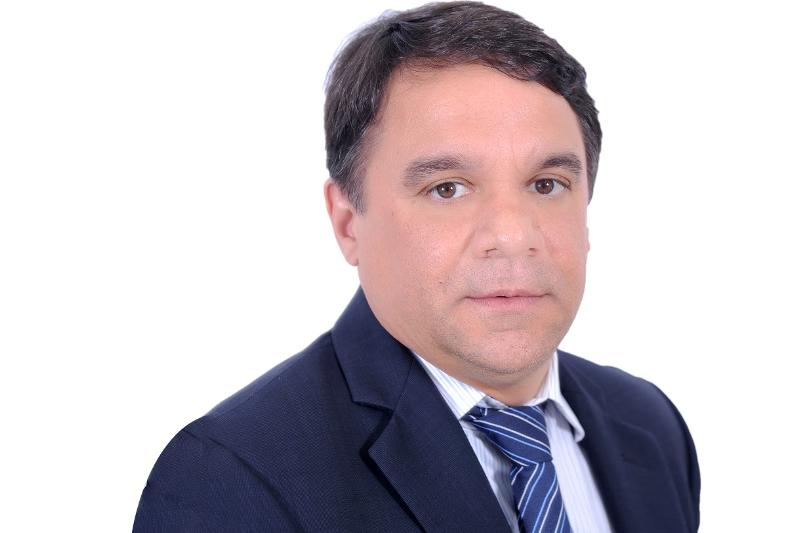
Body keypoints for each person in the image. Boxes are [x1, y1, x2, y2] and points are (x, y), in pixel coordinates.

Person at [133, 2, 700, 531]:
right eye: (447, 188)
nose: (512, 236)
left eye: (547, 184)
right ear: (348, 222)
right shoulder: (229, 479)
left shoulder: (650, 425)